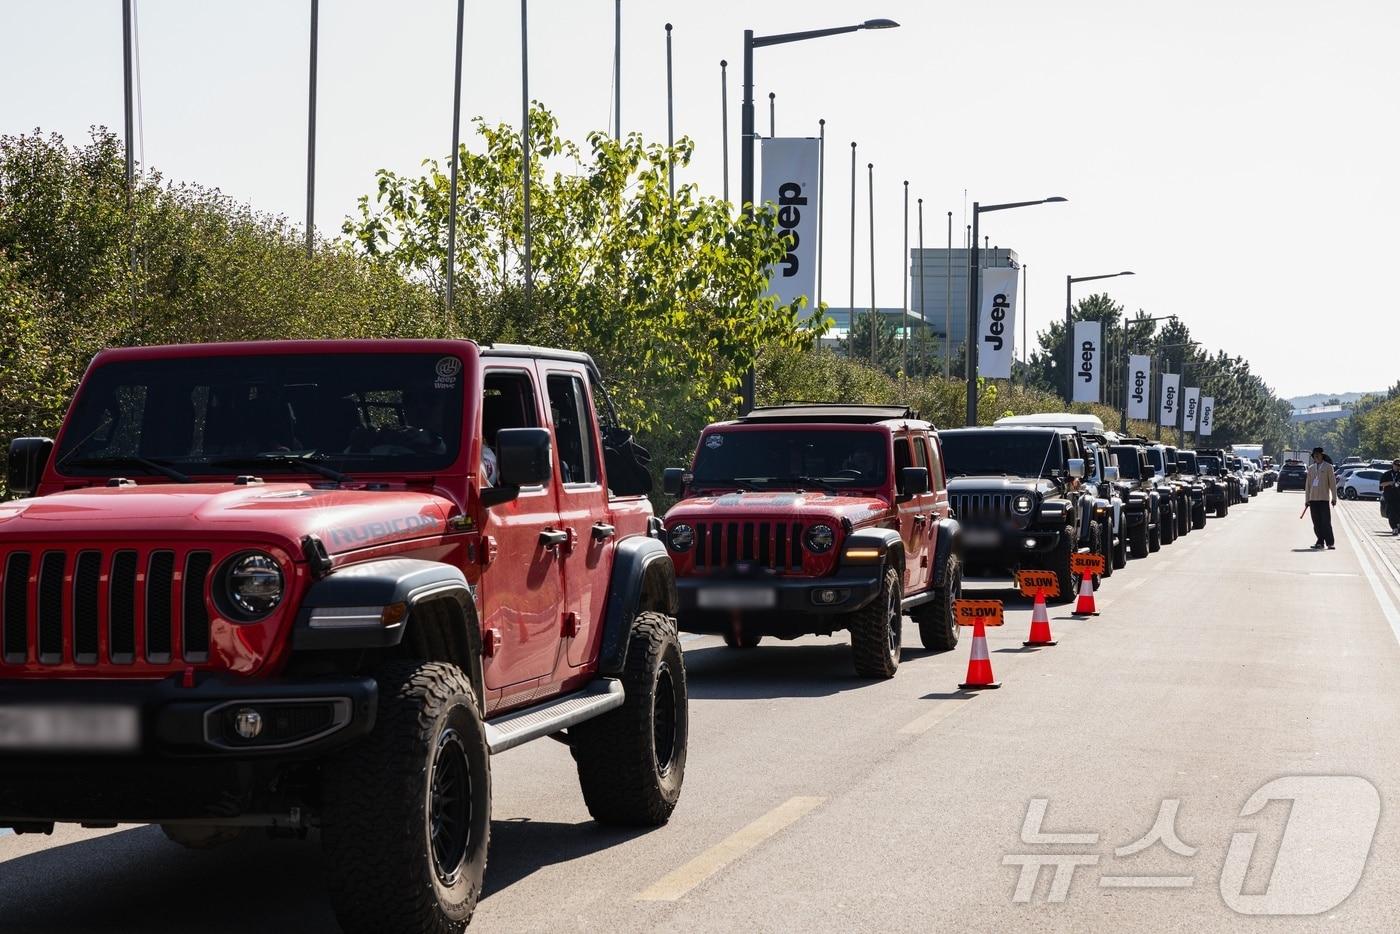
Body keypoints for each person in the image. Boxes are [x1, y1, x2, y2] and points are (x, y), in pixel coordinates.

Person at [1304, 446, 1338, 549]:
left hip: (1324, 499)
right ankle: (1320, 542)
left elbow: (1332, 483)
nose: (1316, 457)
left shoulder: (1328, 467)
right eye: (1315, 455)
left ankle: (1330, 543)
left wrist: (1334, 498)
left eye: (1318, 455)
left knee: (1326, 522)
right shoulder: (1311, 468)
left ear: (1322, 456)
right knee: (1316, 522)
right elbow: (1308, 486)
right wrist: (1307, 500)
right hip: (1313, 499)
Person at [1381, 458, 1400, 535]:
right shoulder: (1387, 474)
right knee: (1391, 513)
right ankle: (1394, 528)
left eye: (1399, 465)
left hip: (1398, 497)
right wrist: (1391, 483)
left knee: (1398, 513)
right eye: (1396, 465)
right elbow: (1381, 484)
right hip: (1389, 497)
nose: (1398, 466)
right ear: (1393, 465)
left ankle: (1398, 525)